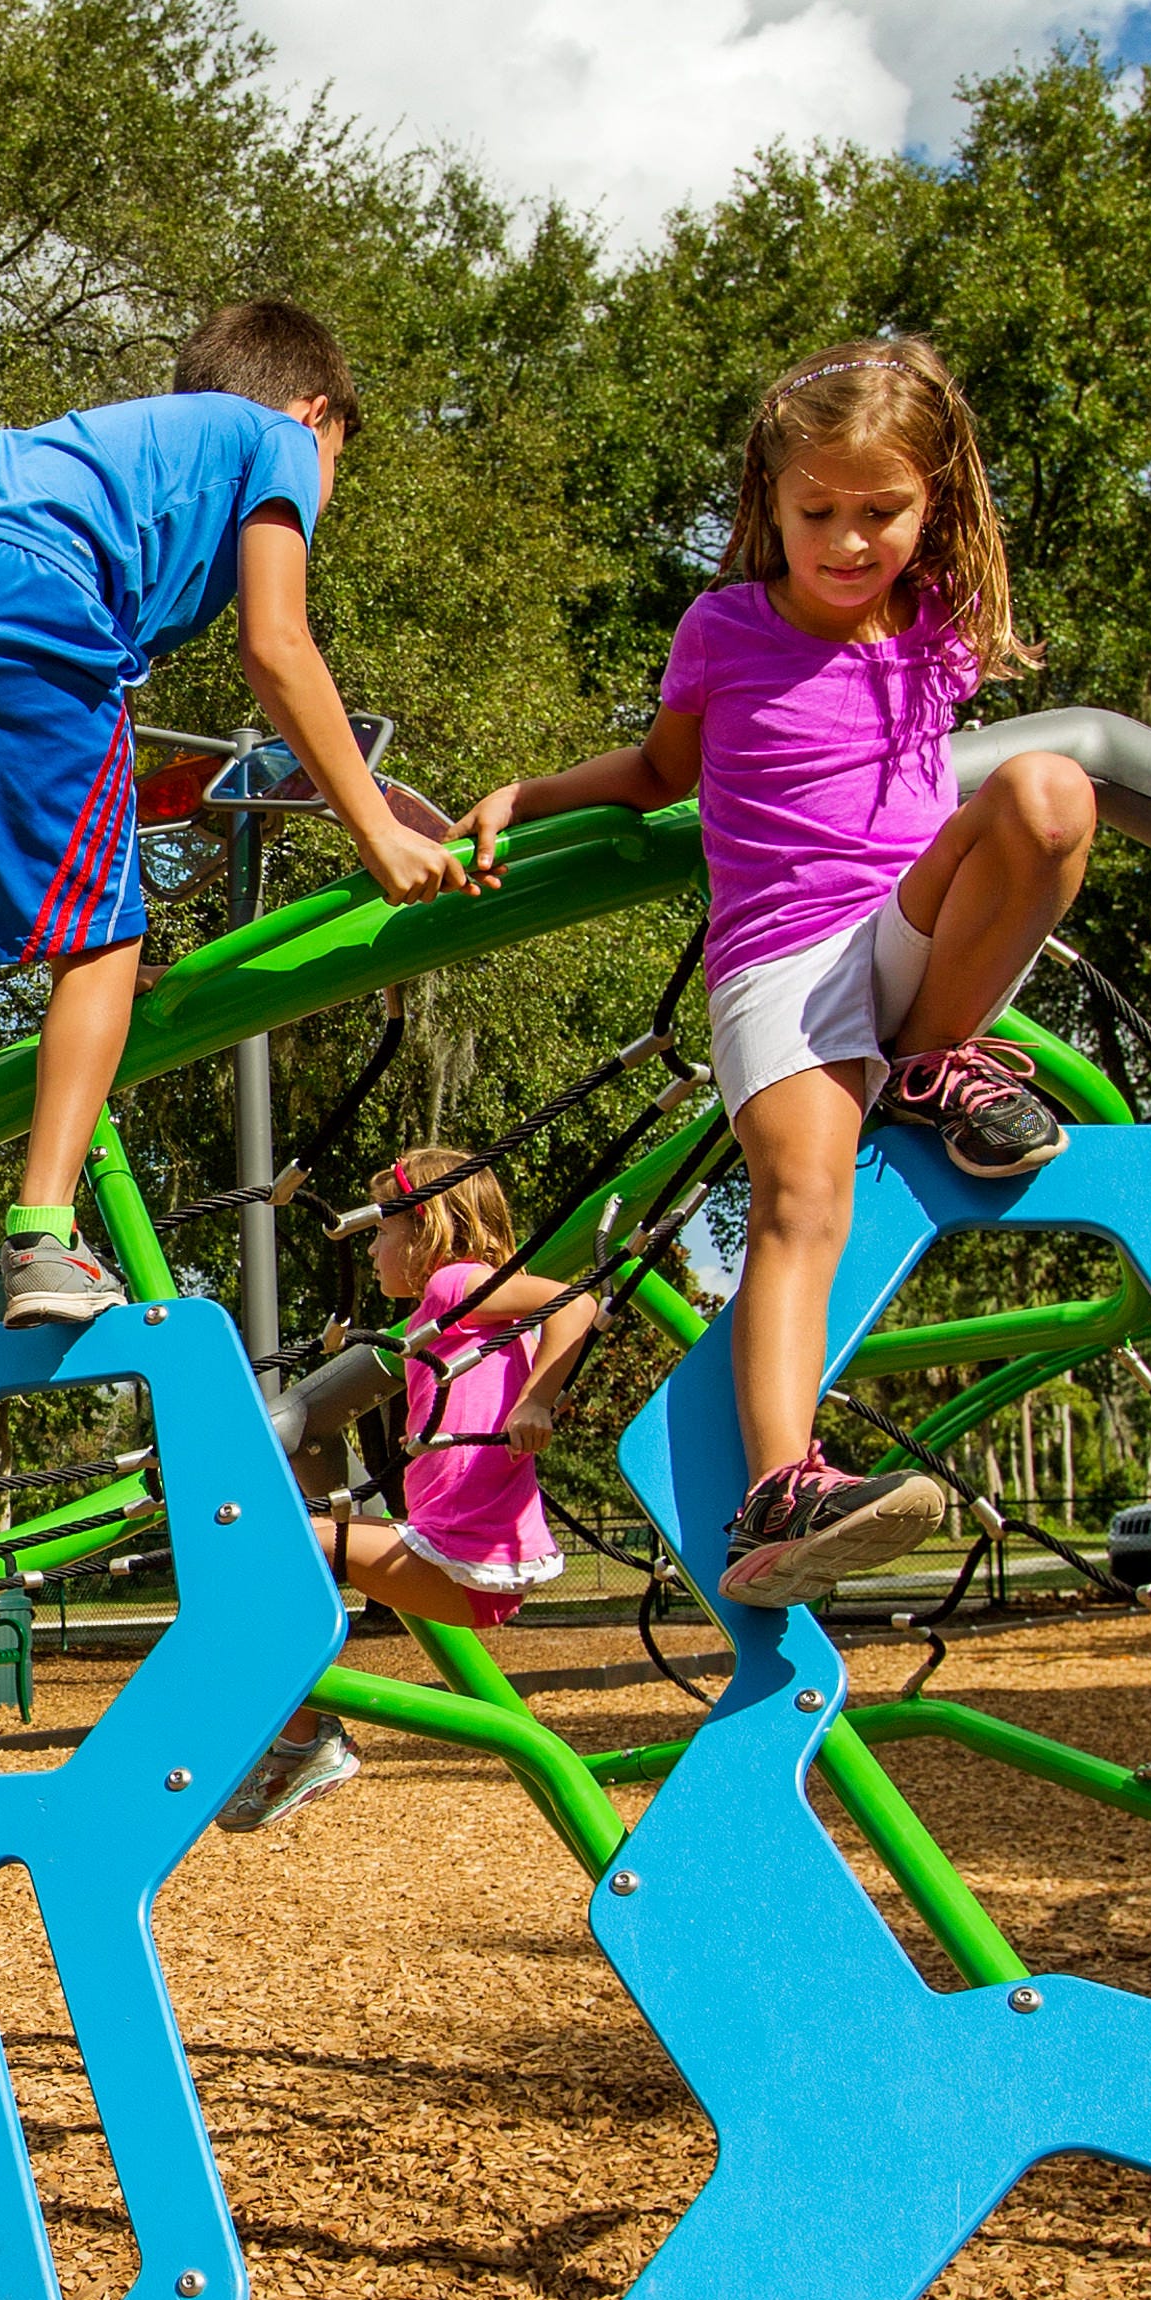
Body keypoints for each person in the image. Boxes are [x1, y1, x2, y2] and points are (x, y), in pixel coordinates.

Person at [454, 334, 1093, 1611]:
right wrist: (521, 797)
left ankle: (934, 1065)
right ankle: (782, 1489)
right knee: (802, 1201)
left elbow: (1010, 797)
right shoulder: (726, 630)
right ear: (771, 504)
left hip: (913, 941)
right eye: (820, 513)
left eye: (882, 512)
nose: (850, 541)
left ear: (936, 506)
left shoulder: (943, 629)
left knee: (1049, 791)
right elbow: (655, 776)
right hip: (785, 961)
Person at [0, 301, 457, 1323]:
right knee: (105, 930)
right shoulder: (277, 442)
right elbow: (277, 645)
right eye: (339, 459)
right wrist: (374, 826)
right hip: (24, 592)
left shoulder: (151, 446)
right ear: (315, 412)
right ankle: (42, 1234)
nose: (324, 490)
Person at [220, 1155, 603, 1830]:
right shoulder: (446, 1315)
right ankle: (298, 1737)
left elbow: (577, 1302)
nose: (370, 1249)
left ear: (424, 1225)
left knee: (273, 1545)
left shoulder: (458, 1285)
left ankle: (304, 1742)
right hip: (465, 1560)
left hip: (459, 1553)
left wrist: (537, 1402)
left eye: (381, 1232)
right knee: (287, 1553)